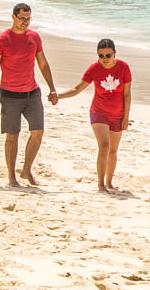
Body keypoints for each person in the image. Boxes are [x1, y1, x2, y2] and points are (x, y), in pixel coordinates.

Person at [0, 3, 57, 187]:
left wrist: (52, 88)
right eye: (22, 18)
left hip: (32, 93)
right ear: (13, 17)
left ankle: (26, 170)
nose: (25, 22)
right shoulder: (1, 40)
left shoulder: (34, 37)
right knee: (12, 135)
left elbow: (43, 64)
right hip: (9, 95)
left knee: (38, 132)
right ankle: (11, 176)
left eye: (28, 18)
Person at [53, 38, 132, 193]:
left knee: (113, 151)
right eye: (101, 56)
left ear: (115, 53)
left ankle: (109, 183)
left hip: (118, 114)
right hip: (99, 112)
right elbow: (77, 89)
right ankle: (100, 184)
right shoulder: (94, 69)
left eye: (108, 55)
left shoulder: (124, 68)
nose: (104, 59)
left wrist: (126, 116)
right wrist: (58, 96)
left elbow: (127, 94)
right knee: (104, 146)